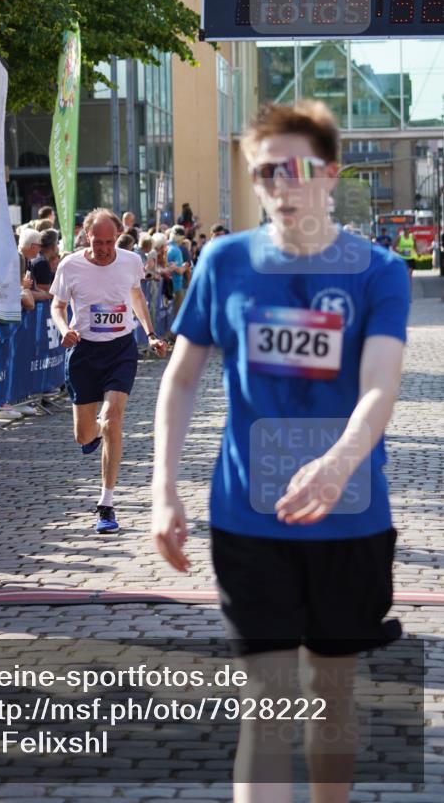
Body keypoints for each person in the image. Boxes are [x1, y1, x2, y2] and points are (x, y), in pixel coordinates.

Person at [152, 100, 410, 802]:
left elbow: (379, 388)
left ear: (328, 174)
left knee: (329, 696)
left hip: (351, 517)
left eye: (295, 170)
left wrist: (336, 464)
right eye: (265, 173)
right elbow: (178, 380)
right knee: (264, 700)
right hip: (246, 517)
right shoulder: (222, 260)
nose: (280, 185)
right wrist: (162, 488)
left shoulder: (378, 272)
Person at [50, 208, 168, 535]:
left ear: (117, 237)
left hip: (120, 349)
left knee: (114, 418)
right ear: (86, 237)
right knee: (85, 435)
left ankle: (106, 504)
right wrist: (64, 328)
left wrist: (151, 333)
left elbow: (136, 294)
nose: (104, 248)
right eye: (97, 241)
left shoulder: (130, 261)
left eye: (109, 241)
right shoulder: (70, 265)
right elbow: (57, 305)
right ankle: (97, 433)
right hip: (85, 352)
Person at [166, 225, 189, 324]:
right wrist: (184, 266)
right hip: (177, 285)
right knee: (177, 314)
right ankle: (175, 337)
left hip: (168, 286)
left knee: (169, 314)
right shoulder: (176, 250)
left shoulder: (166, 247)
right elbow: (179, 271)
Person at [31, 228, 60, 295]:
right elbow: (45, 290)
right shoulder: (43, 263)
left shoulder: (38, 258)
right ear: (53, 246)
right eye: (57, 243)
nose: (58, 246)